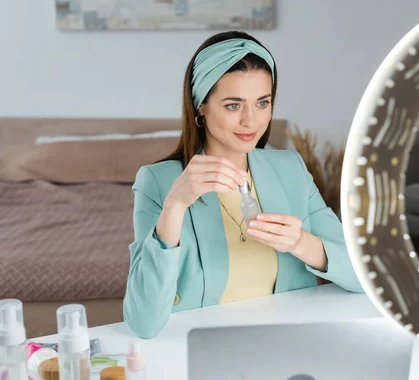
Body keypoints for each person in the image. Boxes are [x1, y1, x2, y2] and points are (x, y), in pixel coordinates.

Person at [123, 31, 363, 339]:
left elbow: (363, 275)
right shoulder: (158, 182)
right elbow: (144, 322)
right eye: (234, 105)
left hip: (290, 344)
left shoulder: (290, 168)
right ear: (201, 106)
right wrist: (175, 205)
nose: (251, 121)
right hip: (205, 352)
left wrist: (301, 243)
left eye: (262, 103)